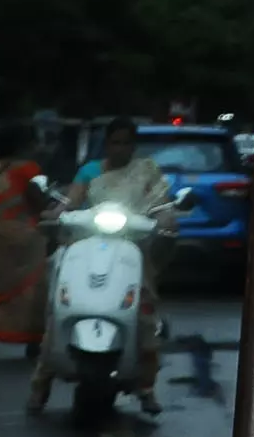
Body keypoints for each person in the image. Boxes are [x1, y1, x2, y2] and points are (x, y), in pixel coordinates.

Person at [32, 119, 174, 416]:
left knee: (145, 315)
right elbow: (70, 203)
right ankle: (40, 386)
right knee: (58, 308)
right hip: (86, 246)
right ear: (106, 144)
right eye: (115, 142)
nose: (120, 148)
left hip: (133, 250)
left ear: (133, 146)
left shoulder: (147, 172)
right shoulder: (89, 171)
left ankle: (147, 387)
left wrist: (167, 221)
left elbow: (162, 206)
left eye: (126, 142)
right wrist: (54, 214)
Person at [0, 125, 53, 359]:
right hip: (24, 235)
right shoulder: (30, 170)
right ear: (25, 145)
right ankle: (32, 341)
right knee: (29, 288)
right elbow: (38, 201)